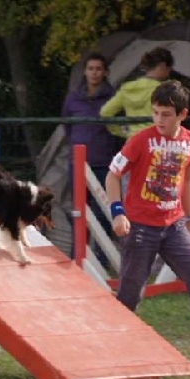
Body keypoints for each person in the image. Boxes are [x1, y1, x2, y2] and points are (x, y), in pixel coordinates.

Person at [104, 80, 190, 371]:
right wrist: (118, 212)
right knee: (130, 293)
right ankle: (110, 348)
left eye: (166, 114)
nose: (159, 120)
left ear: (182, 114)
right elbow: (113, 176)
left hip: (174, 226)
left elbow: (187, 181)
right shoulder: (141, 140)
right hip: (140, 227)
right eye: (155, 113)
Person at [61, 52, 120, 264]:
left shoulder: (113, 97)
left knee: (103, 211)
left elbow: (118, 128)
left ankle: (102, 258)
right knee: (78, 209)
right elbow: (67, 126)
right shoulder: (73, 97)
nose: (94, 73)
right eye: (91, 69)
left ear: (105, 72)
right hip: (78, 162)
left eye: (98, 69)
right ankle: (78, 255)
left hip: (104, 161)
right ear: (85, 71)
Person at [100, 46, 174, 140]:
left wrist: (122, 131)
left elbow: (105, 112)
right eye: (169, 70)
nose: (168, 74)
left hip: (133, 142)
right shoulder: (163, 90)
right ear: (163, 66)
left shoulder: (127, 88)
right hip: (156, 144)